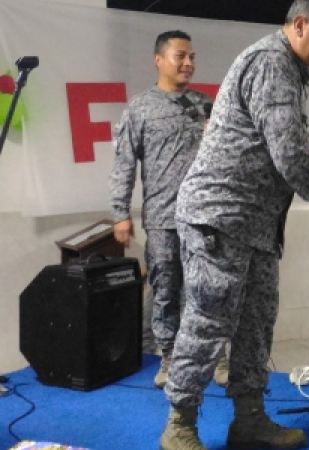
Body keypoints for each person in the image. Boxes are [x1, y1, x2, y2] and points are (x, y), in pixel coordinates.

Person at [159, 2, 309, 450]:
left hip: (257, 225)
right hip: (221, 217)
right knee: (207, 323)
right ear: (301, 24)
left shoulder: (289, 67)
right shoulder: (272, 62)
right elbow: (288, 154)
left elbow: (279, 151)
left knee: (255, 323)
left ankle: (248, 420)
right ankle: (179, 426)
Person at [109, 30, 220, 389]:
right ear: (159, 60)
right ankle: (169, 356)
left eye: (192, 57)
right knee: (166, 291)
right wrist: (120, 213)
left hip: (205, 219)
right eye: (180, 56)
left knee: (209, 290)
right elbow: (124, 164)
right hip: (162, 219)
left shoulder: (207, 105)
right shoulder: (140, 108)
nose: (188, 63)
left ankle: (216, 358)